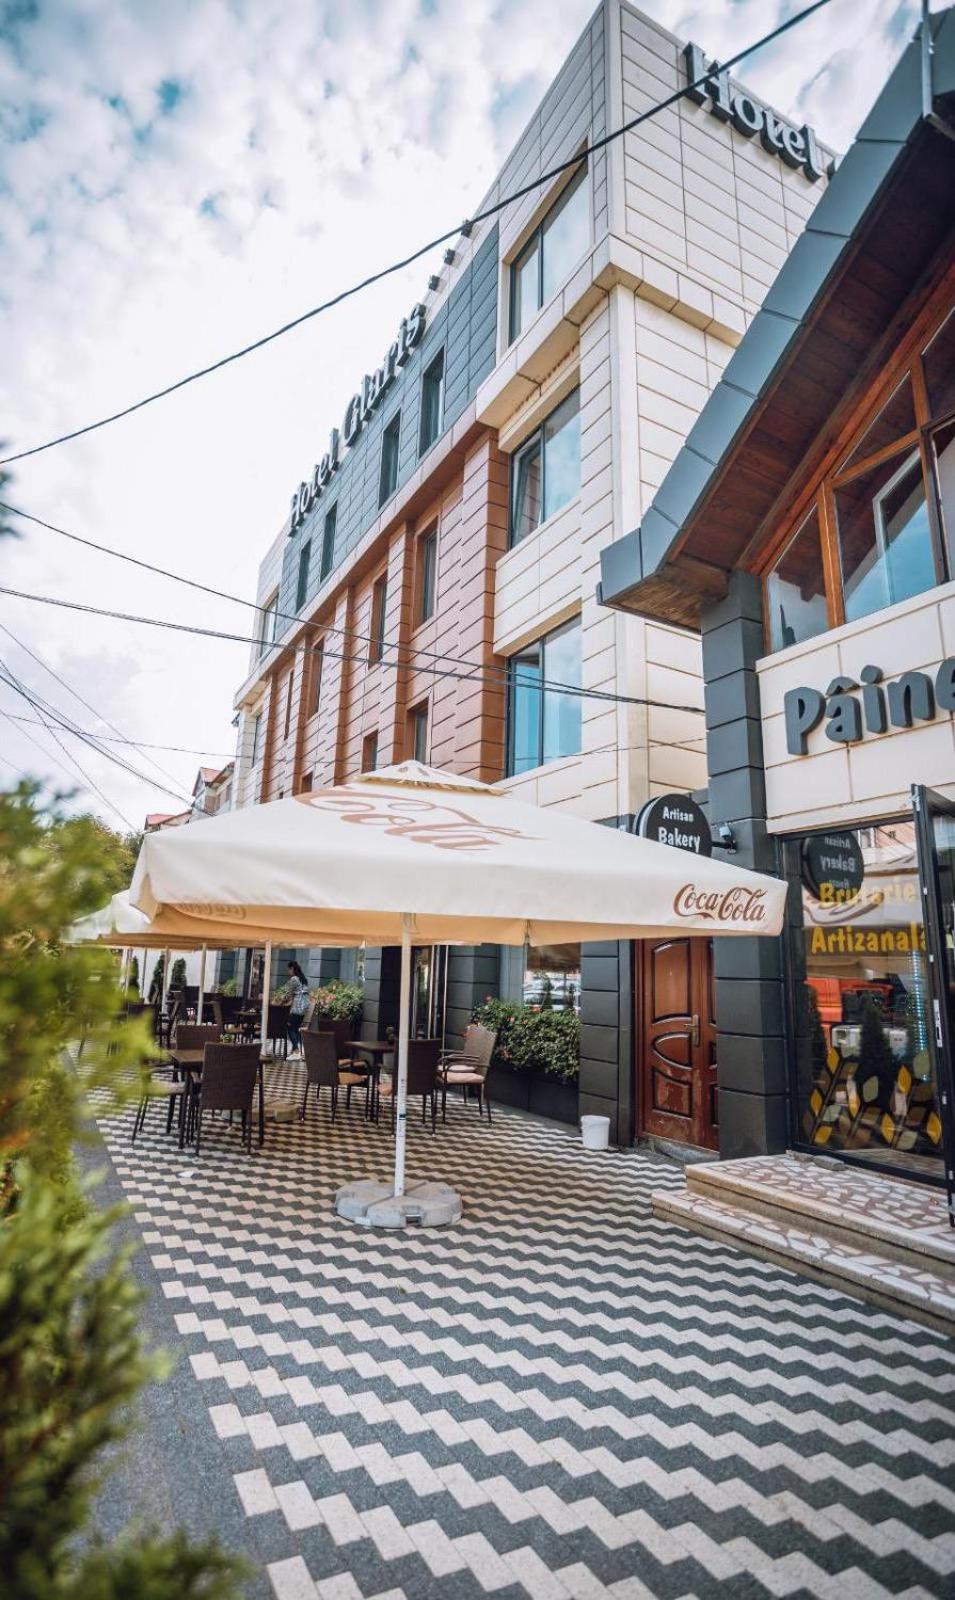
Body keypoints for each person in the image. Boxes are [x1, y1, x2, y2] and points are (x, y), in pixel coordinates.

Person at [285, 961, 309, 1058]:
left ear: (292, 968)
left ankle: (296, 1050)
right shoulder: (303, 979)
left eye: (288, 969)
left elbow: (288, 994)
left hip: (297, 1007)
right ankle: (301, 1050)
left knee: (290, 1027)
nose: (288, 972)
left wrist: (282, 1001)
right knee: (295, 1028)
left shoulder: (294, 979)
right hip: (303, 1008)